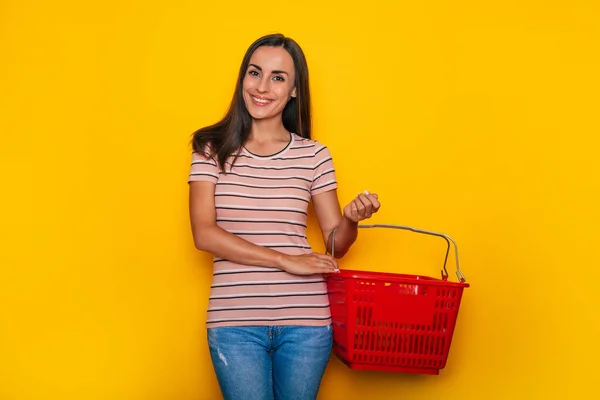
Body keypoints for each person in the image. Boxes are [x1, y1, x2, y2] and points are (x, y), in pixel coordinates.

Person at [187, 33, 381, 400]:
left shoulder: (314, 155)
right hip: (235, 322)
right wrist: (285, 260)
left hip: (306, 322)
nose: (262, 87)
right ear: (242, 78)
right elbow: (204, 234)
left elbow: (335, 246)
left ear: (294, 90)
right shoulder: (209, 148)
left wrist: (352, 220)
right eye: (254, 73)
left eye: (278, 77)